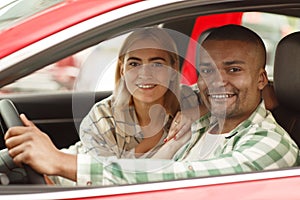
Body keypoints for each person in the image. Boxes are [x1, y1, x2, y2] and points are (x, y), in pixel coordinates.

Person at [4, 24, 299, 186]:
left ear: (262, 79)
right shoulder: (199, 112)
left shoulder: (271, 145)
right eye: (207, 70)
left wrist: (63, 164)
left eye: (234, 70)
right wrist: (32, 159)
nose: (217, 82)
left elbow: (184, 179)